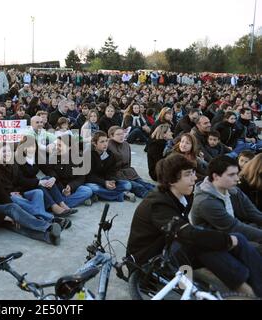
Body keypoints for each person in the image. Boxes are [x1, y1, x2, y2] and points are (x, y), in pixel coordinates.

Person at [127, 153, 262, 297]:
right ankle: (244, 288)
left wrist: (228, 239)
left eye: (193, 173)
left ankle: (258, 285)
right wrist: (226, 240)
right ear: (172, 180)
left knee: (238, 238)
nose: (195, 178)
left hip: (170, 247)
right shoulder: (158, 203)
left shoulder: (182, 195)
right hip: (150, 260)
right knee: (202, 244)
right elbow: (186, 233)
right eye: (188, 175)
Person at [190, 156, 262, 249]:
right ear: (215, 176)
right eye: (231, 175)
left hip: (233, 235)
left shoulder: (233, 190)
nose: (237, 178)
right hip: (217, 244)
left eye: (237, 173)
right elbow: (234, 227)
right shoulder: (206, 202)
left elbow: (253, 213)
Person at [39, 136, 94, 207]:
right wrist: (63, 190)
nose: (56, 148)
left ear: (70, 147)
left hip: (73, 188)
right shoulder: (53, 157)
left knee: (87, 190)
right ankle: (62, 203)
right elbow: (51, 173)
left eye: (60, 145)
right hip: (59, 188)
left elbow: (81, 178)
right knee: (46, 183)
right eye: (56, 145)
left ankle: (57, 204)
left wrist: (70, 186)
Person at [85, 131, 134, 202]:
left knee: (127, 185)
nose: (105, 144)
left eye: (106, 141)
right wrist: (104, 183)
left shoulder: (110, 154)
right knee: (93, 188)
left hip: (106, 181)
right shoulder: (88, 154)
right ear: (94, 143)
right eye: (102, 142)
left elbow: (113, 171)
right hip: (94, 182)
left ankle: (100, 195)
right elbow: (88, 176)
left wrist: (112, 180)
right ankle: (120, 195)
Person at [108, 126, 155, 198]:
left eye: (122, 134)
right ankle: (152, 198)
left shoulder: (126, 145)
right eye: (118, 134)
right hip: (116, 173)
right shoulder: (108, 145)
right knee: (138, 186)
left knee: (145, 184)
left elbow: (128, 161)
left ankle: (164, 195)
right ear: (111, 136)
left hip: (128, 171)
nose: (121, 136)